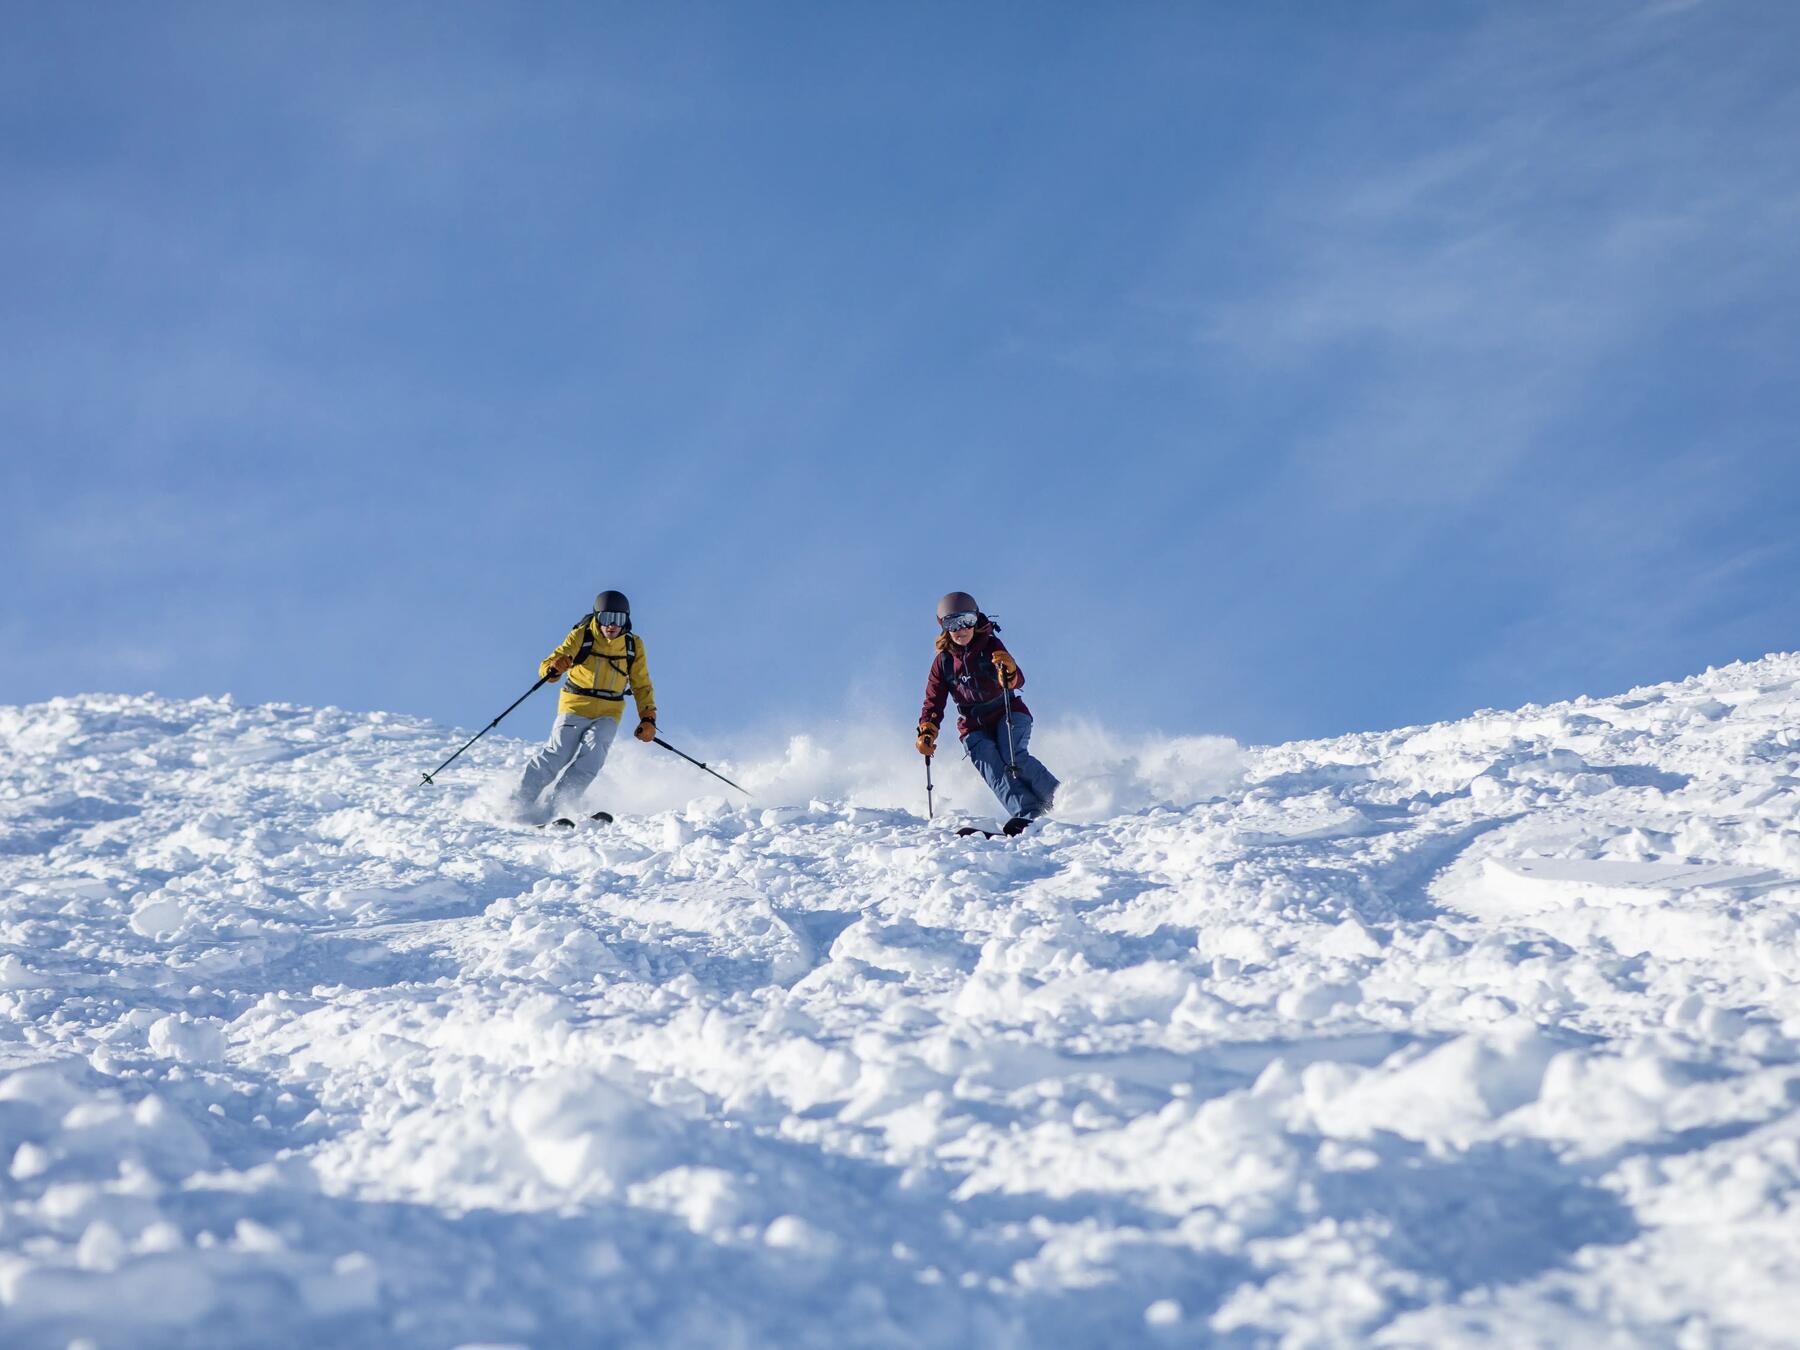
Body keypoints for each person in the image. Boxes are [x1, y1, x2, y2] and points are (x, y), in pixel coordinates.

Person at [917, 591, 1059, 835]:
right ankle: (1029, 813)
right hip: (973, 725)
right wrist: (928, 729)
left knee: (1012, 754)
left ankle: (1060, 800)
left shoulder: (990, 645)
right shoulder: (943, 663)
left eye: (967, 621)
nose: (961, 629)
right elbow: (933, 701)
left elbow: (1016, 678)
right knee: (992, 767)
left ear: (976, 619)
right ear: (943, 627)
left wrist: (1009, 673)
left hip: (1007, 711)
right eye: (953, 623)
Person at [513, 590, 656, 824]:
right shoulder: (583, 635)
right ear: (596, 617)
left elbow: (641, 684)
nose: (611, 625)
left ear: (626, 620)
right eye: (606, 618)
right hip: (576, 703)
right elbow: (550, 664)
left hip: (610, 710)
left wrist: (648, 717)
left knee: (594, 755)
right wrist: (553, 668)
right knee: (558, 753)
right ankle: (520, 802)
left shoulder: (633, 645)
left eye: (618, 619)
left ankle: (559, 807)